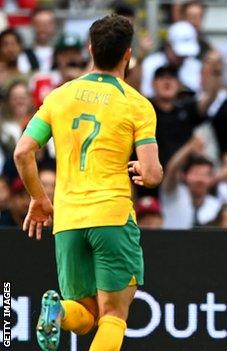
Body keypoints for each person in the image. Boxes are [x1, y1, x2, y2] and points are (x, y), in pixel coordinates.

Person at [12, 14, 162, 351]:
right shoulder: (137, 104)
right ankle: (62, 311)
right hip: (111, 216)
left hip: (67, 219)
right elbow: (151, 175)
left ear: (90, 49)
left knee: (84, 316)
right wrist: (143, 170)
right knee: (113, 316)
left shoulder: (59, 96)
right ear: (128, 54)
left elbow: (23, 152)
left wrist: (38, 199)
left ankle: (59, 310)